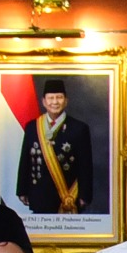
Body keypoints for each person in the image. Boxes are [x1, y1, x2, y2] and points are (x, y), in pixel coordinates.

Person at [15, 80, 96, 217]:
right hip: (39, 194)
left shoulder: (79, 128)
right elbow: (25, 160)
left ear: (66, 101)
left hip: (68, 195)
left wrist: (85, 195)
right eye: (51, 98)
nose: (55, 102)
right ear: (44, 102)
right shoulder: (32, 127)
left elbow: (85, 165)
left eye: (59, 97)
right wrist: (22, 190)